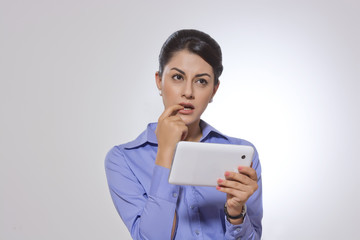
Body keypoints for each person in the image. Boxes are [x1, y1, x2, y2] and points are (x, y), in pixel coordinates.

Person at [105, 29, 263, 240]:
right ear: (159, 81)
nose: (188, 92)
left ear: (214, 90)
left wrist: (235, 213)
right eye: (178, 77)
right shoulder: (123, 159)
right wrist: (166, 151)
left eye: (201, 81)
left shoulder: (241, 155)